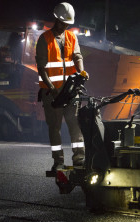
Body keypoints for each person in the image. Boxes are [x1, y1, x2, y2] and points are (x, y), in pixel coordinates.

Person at [35, 2, 88, 172]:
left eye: (67, 24)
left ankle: (79, 158)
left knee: (75, 124)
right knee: (55, 127)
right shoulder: (44, 39)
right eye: (62, 22)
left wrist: (81, 72)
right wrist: (51, 87)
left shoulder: (72, 37)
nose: (64, 26)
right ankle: (58, 160)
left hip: (70, 91)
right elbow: (41, 68)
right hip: (52, 92)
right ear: (55, 19)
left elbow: (77, 56)